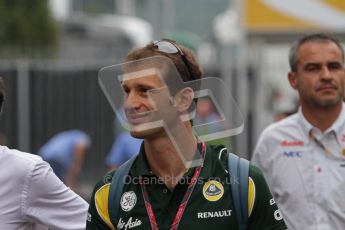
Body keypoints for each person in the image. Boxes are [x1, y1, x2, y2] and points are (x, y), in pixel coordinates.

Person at [87, 39, 287, 229]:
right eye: (127, 91)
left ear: (184, 100)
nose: (130, 104)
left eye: (144, 91)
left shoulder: (243, 182)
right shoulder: (109, 192)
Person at [251, 33, 345, 229]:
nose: (326, 75)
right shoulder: (272, 140)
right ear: (293, 79)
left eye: (334, 66)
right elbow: (256, 215)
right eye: (313, 68)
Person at [0, 77, 88, 229]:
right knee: (63, 180)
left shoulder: (24, 171)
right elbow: (80, 150)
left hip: (48, 157)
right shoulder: (82, 138)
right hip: (54, 158)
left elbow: (93, 223)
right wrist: (76, 167)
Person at [39, 129, 90, 193]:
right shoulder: (83, 137)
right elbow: (80, 148)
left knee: (52, 183)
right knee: (58, 185)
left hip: (45, 156)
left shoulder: (69, 137)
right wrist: (78, 164)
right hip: (55, 158)